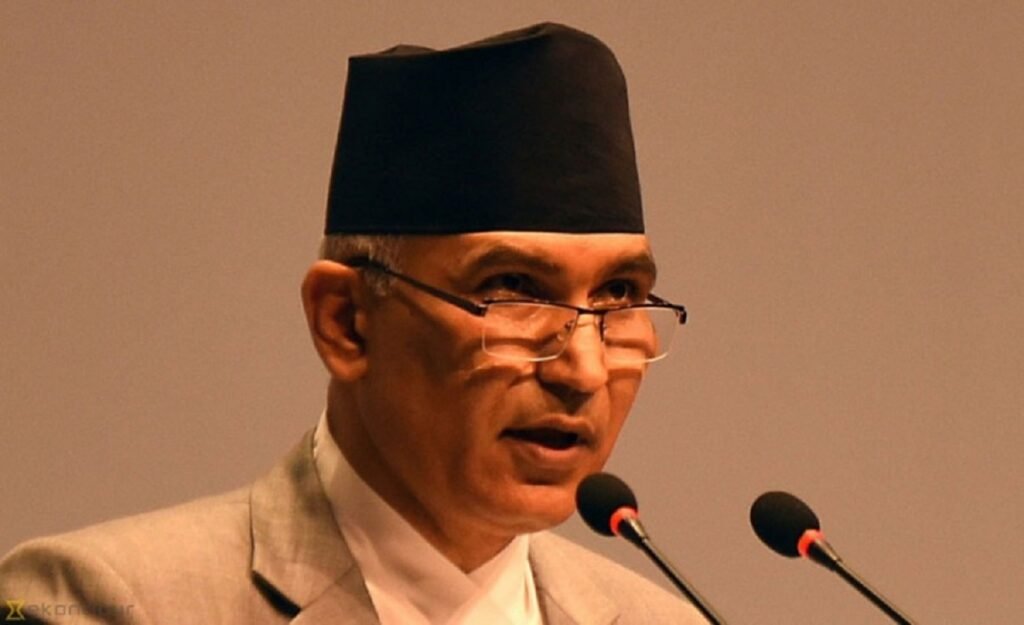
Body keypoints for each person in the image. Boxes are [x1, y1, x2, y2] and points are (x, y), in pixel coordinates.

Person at [0, 23, 705, 624]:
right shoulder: (100, 601)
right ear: (347, 323)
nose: (583, 370)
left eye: (619, 294)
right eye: (513, 290)